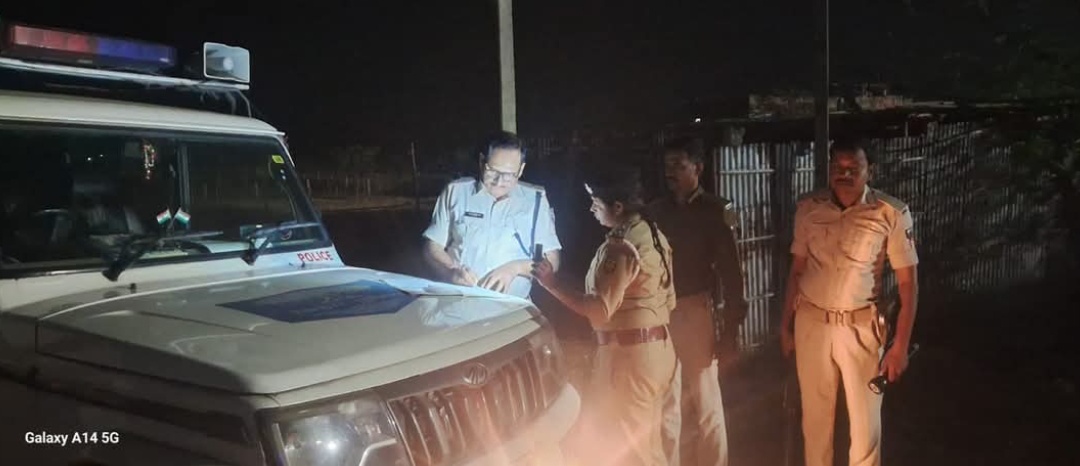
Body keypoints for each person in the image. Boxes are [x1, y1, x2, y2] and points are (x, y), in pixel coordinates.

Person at [779, 139, 920, 466]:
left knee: (865, 427)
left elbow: (908, 284)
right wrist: (785, 326)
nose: (844, 175)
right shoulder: (809, 209)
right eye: (837, 168)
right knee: (814, 423)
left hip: (861, 328)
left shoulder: (890, 213)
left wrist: (900, 346)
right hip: (812, 325)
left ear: (870, 171)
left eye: (853, 169)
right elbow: (797, 271)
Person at [532, 166, 678, 466]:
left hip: (630, 360)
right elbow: (669, 301)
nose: (592, 210)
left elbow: (598, 310)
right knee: (656, 445)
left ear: (618, 207)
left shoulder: (622, 246)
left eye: (596, 204)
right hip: (658, 350)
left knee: (634, 451)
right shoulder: (653, 233)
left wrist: (552, 284)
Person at [648, 137, 748, 466]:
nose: (671, 173)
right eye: (667, 166)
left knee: (706, 402)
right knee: (667, 403)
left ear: (698, 168)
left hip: (694, 311)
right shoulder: (656, 212)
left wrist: (730, 331)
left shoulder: (716, 211)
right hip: (661, 312)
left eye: (679, 165)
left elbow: (732, 274)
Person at [422, 131, 562, 299]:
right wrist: (451, 271)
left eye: (509, 175)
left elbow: (552, 262)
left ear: (521, 169)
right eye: (493, 171)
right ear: (482, 161)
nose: (499, 181)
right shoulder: (456, 192)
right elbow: (432, 246)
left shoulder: (535, 201)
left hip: (513, 305)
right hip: (460, 301)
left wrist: (515, 268)